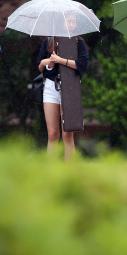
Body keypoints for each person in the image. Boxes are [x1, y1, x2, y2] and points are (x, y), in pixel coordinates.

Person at [36, 13, 89, 160]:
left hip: (70, 88)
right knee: (52, 134)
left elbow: (82, 65)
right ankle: (51, 171)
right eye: (68, 21)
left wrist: (61, 60)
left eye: (74, 22)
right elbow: (39, 66)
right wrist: (48, 63)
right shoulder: (49, 41)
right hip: (51, 88)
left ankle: (68, 171)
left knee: (68, 133)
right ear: (61, 22)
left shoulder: (78, 42)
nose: (72, 24)